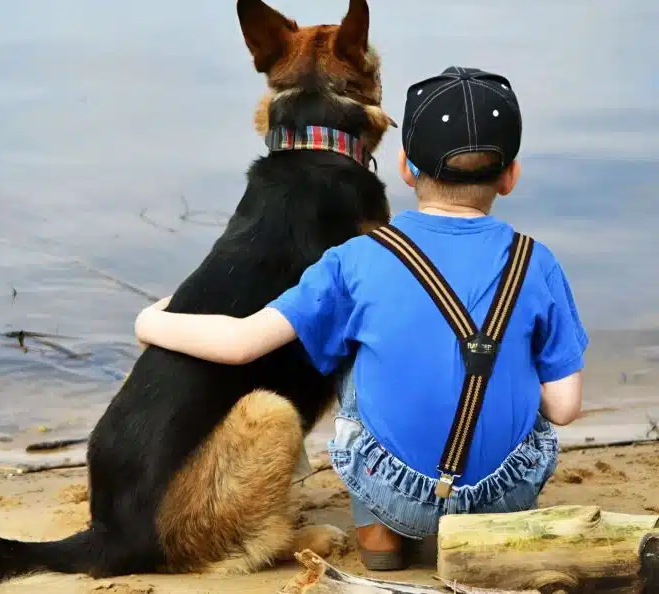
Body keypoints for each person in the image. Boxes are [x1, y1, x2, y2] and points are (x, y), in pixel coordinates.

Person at [134, 67, 588, 571]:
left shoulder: (354, 258)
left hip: (394, 490)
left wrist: (150, 322)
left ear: (405, 167)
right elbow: (565, 407)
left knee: (346, 343)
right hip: (504, 497)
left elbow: (241, 343)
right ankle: (480, 524)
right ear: (511, 176)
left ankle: (380, 536)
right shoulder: (537, 262)